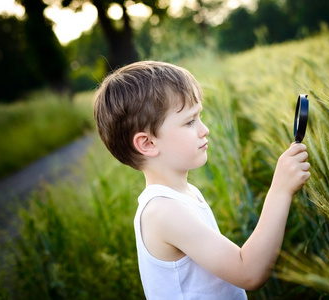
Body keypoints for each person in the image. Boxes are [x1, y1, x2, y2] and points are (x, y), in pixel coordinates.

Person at [93, 61, 311, 299]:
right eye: (189, 121)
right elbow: (249, 272)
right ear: (148, 143)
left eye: (200, 116)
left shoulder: (184, 193)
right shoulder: (163, 212)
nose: (204, 129)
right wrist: (280, 190)